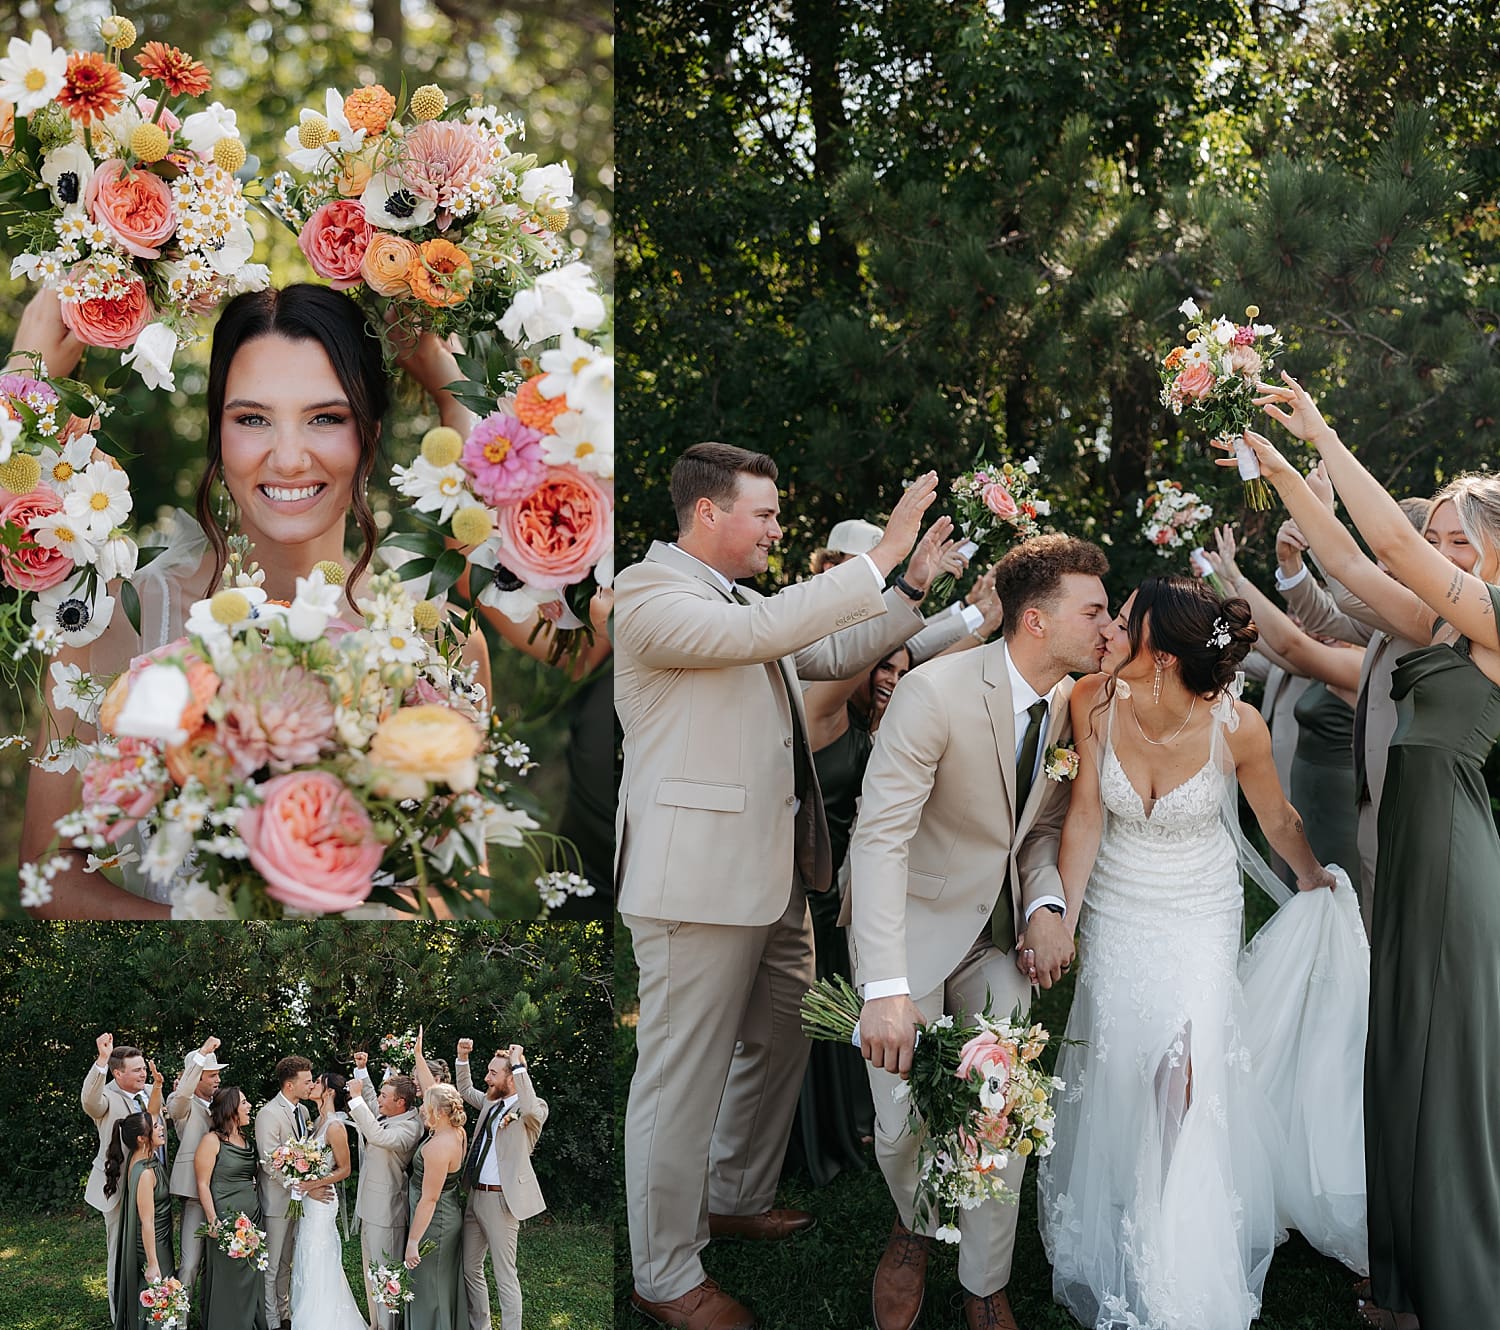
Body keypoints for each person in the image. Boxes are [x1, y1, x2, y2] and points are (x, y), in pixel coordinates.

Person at [12, 285, 484, 917]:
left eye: (326, 417)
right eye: (252, 419)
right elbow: (48, 876)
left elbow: (459, 888)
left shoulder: (441, 641)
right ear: (219, 435)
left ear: (368, 436)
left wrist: (457, 398)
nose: (288, 459)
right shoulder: (111, 619)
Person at [615, 442, 940, 1330]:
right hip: (693, 887)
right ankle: (666, 1274)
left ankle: (732, 1194)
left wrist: (921, 599)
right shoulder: (651, 595)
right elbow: (768, 636)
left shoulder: (740, 598)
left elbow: (828, 649)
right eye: (763, 514)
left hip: (771, 878)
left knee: (785, 1034)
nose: (777, 529)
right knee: (677, 1082)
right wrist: (878, 556)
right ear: (709, 514)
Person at [1227, 375, 1500, 1330]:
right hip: (1413, 856)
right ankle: (1404, 1284)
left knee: (1450, 1081)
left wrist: (1322, 428)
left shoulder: (1498, 622)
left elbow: (1384, 538)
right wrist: (1283, 468)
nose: (1436, 555)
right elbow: (1346, 556)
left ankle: (1465, 1293)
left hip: (1458, 867)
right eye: (1440, 541)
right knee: (1398, 1069)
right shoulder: (1439, 625)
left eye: (1458, 539)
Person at [1038, 575, 1343, 1330]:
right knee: (1119, 1057)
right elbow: (1082, 818)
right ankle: (1120, 1199)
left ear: (1163, 653)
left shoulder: (1236, 726)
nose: (1108, 628)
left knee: (1181, 1067)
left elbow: (1275, 817)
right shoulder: (1090, 701)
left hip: (1198, 911)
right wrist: (1066, 920)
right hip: (1117, 905)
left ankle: (1173, 1232)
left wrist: (1312, 878)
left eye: (1124, 619)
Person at [847, 534, 1113, 1330]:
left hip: (995, 941)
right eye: (1094, 610)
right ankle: (915, 1223)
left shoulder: (1069, 703)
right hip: (913, 930)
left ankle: (984, 1281)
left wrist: (1047, 907)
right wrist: (886, 990)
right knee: (898, 1122)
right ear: (1036, 619)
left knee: (1001, 1100)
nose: (1108, 626)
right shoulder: (934, 692)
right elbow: (881, 838)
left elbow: (1035, 832)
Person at [786, 642, 915, 1187]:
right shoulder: (823, 710)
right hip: (803, 895)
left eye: (901, 672)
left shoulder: (880, 731)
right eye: (883, 665)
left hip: (844, 901)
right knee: (807, 1024)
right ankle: (804, 1140)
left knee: (844, 1012)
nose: (891, 678)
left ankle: (848, 1122)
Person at [1205, 527, 1364, 884]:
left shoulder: (1352, 665)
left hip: (1336, 802)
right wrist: (1219, 580)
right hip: (1289, 793)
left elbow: (1289, 644)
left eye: (1306, 613)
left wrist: (1234, 575)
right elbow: (1259, 642)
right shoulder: (1294, 662)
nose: (1300, 621)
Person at [455, 1038, 549, 1330]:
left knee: (505, 1274)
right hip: (475, 1196)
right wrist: (462, 1058)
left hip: (501, 1201)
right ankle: (480, 1326)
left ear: (512, 1076)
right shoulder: (490, 1102)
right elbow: (465, 1090)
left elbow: (532, 1109)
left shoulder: (532, 1109)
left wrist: (519, 1062)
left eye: (493, 1073)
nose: (487, 1077)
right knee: (470, 1267)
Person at [83, 1033, 167, 1320]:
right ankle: (120, 1313)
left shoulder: (147, 1093)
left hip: (147, 1180)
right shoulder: (107, 1096)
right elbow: (89, 1102)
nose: (143, 1072)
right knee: (120, 1252)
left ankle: (149, 1306)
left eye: (143, 1068)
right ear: (117, 1073)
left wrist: (156, 1087)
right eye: (136, 1070)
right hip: (118, 1185)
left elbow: (154, 1119)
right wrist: (101, 1060)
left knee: (149, 1244)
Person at [348, 1053, 425, 1330]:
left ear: (400, 1102)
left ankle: (389, 1325)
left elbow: (378, 1136)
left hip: (388, 1212)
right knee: (371, 1273)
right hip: (370, 1207)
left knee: (387, 1275)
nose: (379, 1100)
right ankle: (376, 1324)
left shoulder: (409, 1127)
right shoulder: (387, 1112)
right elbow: (370, 1102)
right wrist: (361, 1071)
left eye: (384, 1096)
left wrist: (354, 1100)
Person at [288, 1072, 366, 1330]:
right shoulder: (317, 1122)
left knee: (318, 1256)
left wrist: (311, 1185)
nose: (312, 1086)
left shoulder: (334, 1126)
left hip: (322, 1202)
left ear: (329, 1092)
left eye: (317, 1083)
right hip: (310, 1201)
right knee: (306, 1254)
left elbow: (345, 1169)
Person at [195, 1086, 269, 1330]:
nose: (249, 1107)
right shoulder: (211, 1140)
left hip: (253, 1217)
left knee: (251, 1274)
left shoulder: (247, 1140)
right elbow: (203, 1183)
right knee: (229, 1277)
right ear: (231, 1109)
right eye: (245, 1102)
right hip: (225, 1220)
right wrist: (213, 1219)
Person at [409, 1035, 470, 1330]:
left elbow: (428, 1200)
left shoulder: (437, 1148)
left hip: (435, 1221)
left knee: (429, 1284)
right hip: (448, 1212)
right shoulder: (456, 1130)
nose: (422, 1109)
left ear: (441, 1111)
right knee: (439, 1282)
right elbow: (432, 1090)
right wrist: (419, 1055)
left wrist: (412, 1242)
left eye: (426, 1107)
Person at [164, 1035, 227, 1297]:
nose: (218, 1080)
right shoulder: (181, 1104)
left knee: (219, 1264)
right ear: (197, 1076)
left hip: (224, 1189)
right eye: (212, 1075)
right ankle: (179, 1321)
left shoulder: (221, 1103)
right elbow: (181, 1096)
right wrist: (202, 1052)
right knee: (190, 1264)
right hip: (194, 1192)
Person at [255, 1056, 314, 1330]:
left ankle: (284, 1313)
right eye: (307, 1081)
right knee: (272, 1264)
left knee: (287, 1262)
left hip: (300, 1199)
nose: (311, 1085)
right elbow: (268, 1161)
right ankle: (270, 1321)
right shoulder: (268, 1113)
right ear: (290, 1085)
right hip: (278, 1201)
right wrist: (295, 1185)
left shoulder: (303, 1112)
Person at [106, 1110, 175, 1330]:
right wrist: (153, 1262)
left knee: (160, 1296)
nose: (162, 1128)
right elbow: (146, 1222)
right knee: (158, 1294)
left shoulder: (145, 1157)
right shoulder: (145, 1173)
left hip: (160, 1237)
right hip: (153, 1243)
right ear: (141, 1138)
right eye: (155, 1127)